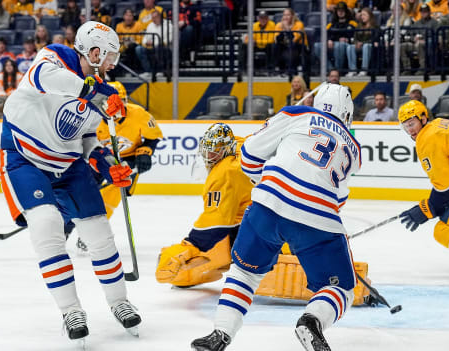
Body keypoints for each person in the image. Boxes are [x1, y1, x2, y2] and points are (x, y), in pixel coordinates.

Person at [0, 21, 141, 341]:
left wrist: (108, 166)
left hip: (68, 163)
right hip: (25, 157)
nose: (112, 64)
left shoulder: (100, 91)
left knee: (99, 233)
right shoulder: (55, 57)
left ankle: (120, 302)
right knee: (47, 224)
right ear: (94, 51)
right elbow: (41, 77)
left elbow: (87, 139)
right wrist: (100, 92)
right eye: (110, 56)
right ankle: (70, 309)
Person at [191, 83, 361, 351]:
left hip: (267, 205)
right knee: (341, 289)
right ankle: (312, 319)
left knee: (244, 273)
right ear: (347, 114)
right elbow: (338, 198)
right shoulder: (354, 148)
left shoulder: (296, 114)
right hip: (319, 217)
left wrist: (270, 183)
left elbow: (248, 154)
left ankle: (221, 332)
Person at [155, 123, 253, 287]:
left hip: (259, 222)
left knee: (235, 256)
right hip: (257, 210)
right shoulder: (241, 145)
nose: (209, 155)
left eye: (215, 152)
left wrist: (192, 244)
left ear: (226, 149)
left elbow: (217, 221)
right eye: (207, 150)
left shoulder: (224, 173)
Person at [397, 100, 449, 257]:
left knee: (442, 229)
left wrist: (426, 210)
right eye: (406, 126)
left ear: (423, 118)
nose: (410, 131)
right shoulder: (439, 124)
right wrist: (430, 207)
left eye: (412, 124)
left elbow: (446, 188)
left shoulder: (427, 137)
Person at [96, 80, 163, 218]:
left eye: (121, 101)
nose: (118, 106)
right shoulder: (92, 117)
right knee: (84, 194)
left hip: (128, 158)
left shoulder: (138, 114)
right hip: (99, 157)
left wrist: (145, 152)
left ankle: (96, 228)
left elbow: (154, 137)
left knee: (114, 191)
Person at [314, 2, 357, 73]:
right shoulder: (331, 24)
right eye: (338, 10)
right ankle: (330, 68)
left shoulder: (352, 23)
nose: (340, 12)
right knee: (317, 46)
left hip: (345, 44)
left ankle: (338, 69)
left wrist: (348, 39)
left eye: (342, 10)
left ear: (346, 11)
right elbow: (324, 34)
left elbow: (355, 35)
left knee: (339, 46)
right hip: (332, 43)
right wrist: (328, 40)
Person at [400, 3, 438, 75]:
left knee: (419, 44)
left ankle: (423, 68)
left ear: (429, 12)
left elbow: (436, 35)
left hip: (427, 44)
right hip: (415, 43)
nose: (424, 13)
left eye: (426, 11)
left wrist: (425, 39)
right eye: (422, 11)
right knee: (402, 46)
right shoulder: (416, 23)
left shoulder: (434, 23)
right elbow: (409, 34)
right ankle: (407, 69)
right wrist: (413, 38)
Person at [274, 8, 307, 76]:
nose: (286, 17)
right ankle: (280, 69)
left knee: (292, 46)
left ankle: (291, 71)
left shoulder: (299, 24)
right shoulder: (279, 25)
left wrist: (287, 29)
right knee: (276, 46)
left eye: (288, 15)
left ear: (292, 16)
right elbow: (276, 39)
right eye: (284, 15)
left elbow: (295, 39)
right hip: (285, 45)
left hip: (299, 46)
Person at [346, 7, 378, 77]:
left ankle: (364, 69)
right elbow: (354, 38)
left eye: (364, 15)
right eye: (361, 15)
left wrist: (363, 43)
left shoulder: (375, 26)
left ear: (369, 16)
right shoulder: (359, 26)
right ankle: (352, 70)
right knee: (350, 47)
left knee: (366, 46)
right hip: (359, 46)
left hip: (370, 46)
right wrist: (356, 43)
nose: (362, 17)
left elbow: (375, 39)